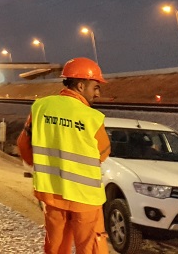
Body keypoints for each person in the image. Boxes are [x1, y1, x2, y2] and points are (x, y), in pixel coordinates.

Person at [17, 57, 111, 254]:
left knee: (57, 245)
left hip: (52, 194)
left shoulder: (41, 107)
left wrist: (44, 166)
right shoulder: (91, 117)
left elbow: (23, 145)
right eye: (95, 87)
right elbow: (103, 153)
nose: (98, 93)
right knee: (91, 246)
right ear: (80, 85)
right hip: (85, 198)